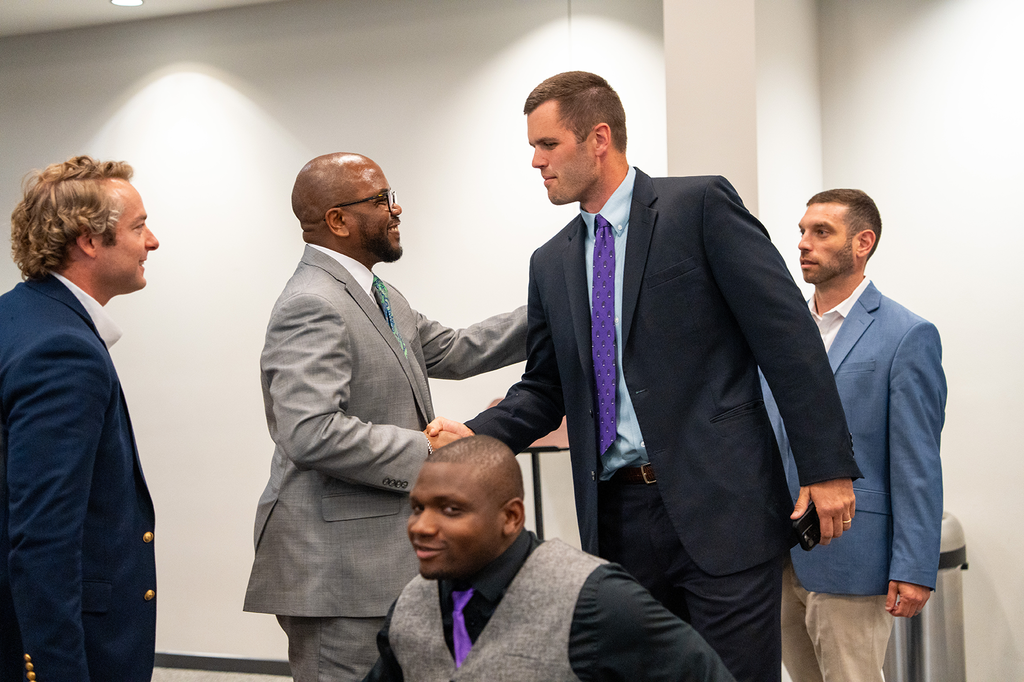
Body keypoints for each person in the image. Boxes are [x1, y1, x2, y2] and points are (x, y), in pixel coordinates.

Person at [430, 71, 862, 682]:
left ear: (598, 137)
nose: (535, 162)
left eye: (547, 145)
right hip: (617, 520)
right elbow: (545, 387)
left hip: (723, 509)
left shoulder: (699, 207)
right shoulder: (551, 262)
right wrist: (475, 437)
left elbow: (788, 338)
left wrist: (827, 468)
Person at [243, 152, 527, 681]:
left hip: (374, 562)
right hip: (336, 571)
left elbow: (457, 349)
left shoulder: (379, 294)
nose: (396, 209)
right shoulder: (312, 302)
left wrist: (557, 305)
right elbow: (310, 432)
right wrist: (433, 454)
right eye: (381, 199)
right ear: (337, 220)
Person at [364, 435, 737, 682]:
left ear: (511, 517)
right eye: (417, 508)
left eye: (450, 510)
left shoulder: (596, 600)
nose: (422, 526)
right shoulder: (412, 605)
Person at [763, 189, 946, 681]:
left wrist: (913, 566)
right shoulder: (779, 332)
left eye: (821, 232)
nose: (804, 243)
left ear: (862, 243)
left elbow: (917, 461)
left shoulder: (907, 335)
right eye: (802, 231)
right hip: (778, 554)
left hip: (853, 553)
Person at [0, 156, 160, 681]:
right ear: (89, 241)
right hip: (71, 649)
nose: (152, 242)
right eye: (138, 227)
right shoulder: (64, 350)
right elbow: (44, 535)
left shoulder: (17, 314)